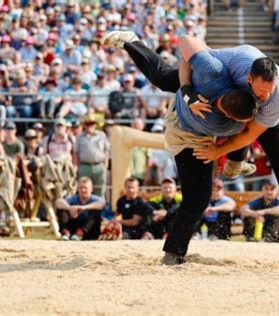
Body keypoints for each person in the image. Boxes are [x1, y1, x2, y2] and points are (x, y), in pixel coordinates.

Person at [103, 32, 279, 254]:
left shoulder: (275, 98)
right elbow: (187, 50)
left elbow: (249, 134)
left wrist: (219, 151)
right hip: (223, 99)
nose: (265, 95)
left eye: (270, 90)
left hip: (260, 118)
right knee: (163, 79)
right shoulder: (225, 67)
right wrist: (188, 91)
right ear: (248, 79)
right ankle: (132, 42)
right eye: (261, 91)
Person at [104, 31, 259, 265]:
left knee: (165, 77)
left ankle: (132, 42)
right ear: (227, 114)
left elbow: (188, 46)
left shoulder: (215, 73)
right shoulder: (220, 122)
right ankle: (174, 252)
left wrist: (190, 78)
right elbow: (243, 135)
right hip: (185, 130)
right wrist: (187, 94)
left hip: (200, 87)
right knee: (199, 196)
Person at [55, 176, 105, 241]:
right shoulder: (74, 199)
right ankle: (65, 233)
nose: (83, 190)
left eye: (85, 188)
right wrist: (70, 208)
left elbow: (102, 204)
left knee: (95, 212)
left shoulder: (95, 199)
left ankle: (80, 233)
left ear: (91, 189)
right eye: (81, 188)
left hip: (89, 231)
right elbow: (58, 202)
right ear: (78, 189)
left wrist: (84, 207)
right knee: (62, 209)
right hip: (74, 228)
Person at [73, 113, 110, 198]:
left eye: (91, 123)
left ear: (95, 124)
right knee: (83, 190)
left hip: (99, 166)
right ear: (84, 125)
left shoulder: (102, 135)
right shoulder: (80, 137)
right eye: (87, 124)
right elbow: (76, 153)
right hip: (84, 166)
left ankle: (99, 210)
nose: (89, 126)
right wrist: (76, 167)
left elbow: (106, 151)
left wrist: (105, 166)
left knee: (100, 190)